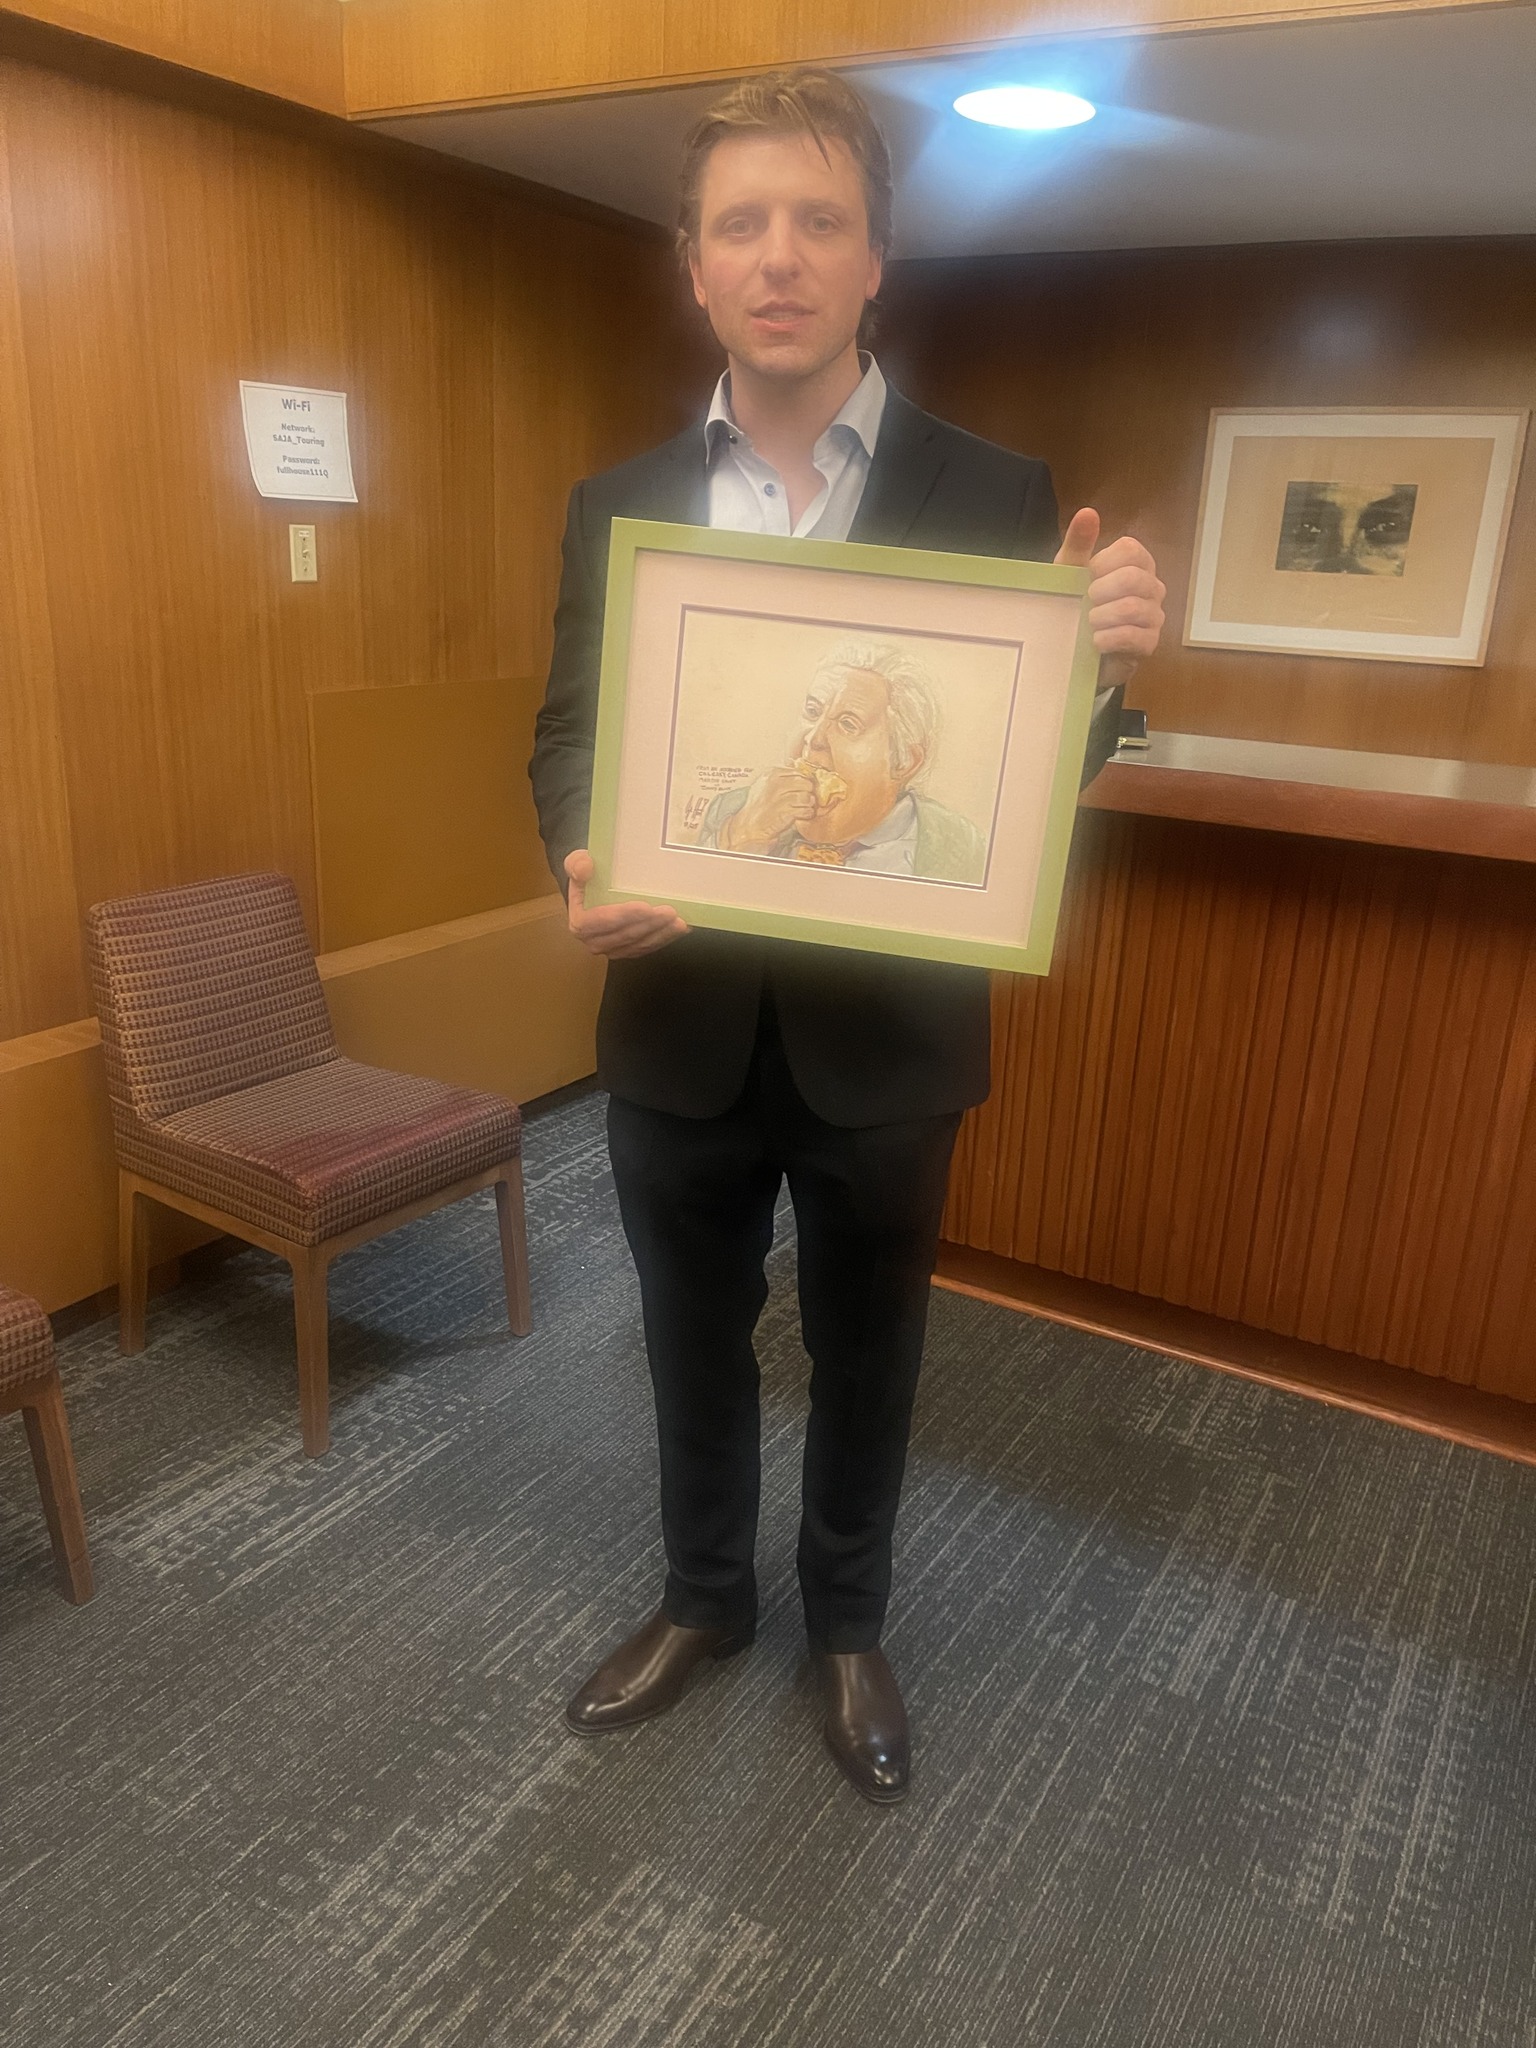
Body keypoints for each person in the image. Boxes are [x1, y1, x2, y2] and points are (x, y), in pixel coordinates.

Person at [529, 68, 1165, 1804]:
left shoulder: (997, 489)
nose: (780, 256)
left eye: (819, 220)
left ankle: (848, 1624)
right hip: (675, 1019)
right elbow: (568, 733)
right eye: (741, 223)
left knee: (870, 1349)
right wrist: (580, 847)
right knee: (687, 1336)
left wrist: (1101, 680)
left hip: (890, 1040)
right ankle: (704, 1598)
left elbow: (1021, 785)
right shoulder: (618, 502)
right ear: (693, 263)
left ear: (875, 257)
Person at [697, 639, 988, 883]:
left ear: (904, 762)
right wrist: (742, 839)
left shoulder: (960, 846)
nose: (815, 738)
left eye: (848, 724)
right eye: (813, 711)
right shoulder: (732, 812)